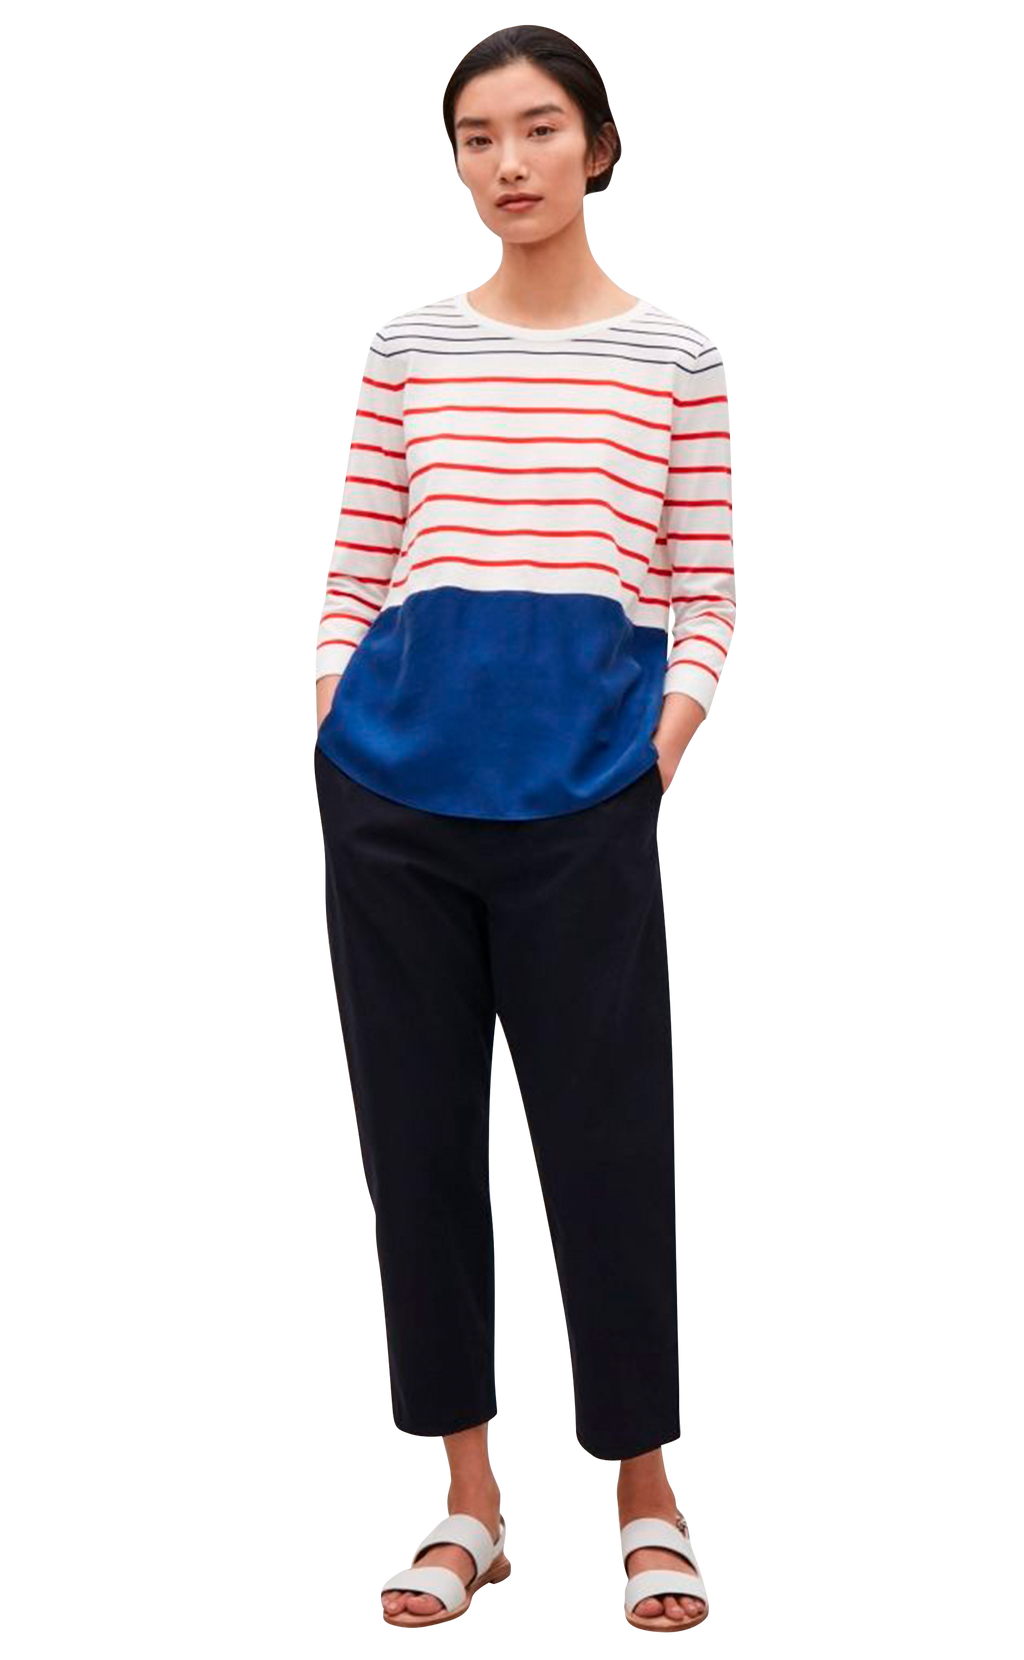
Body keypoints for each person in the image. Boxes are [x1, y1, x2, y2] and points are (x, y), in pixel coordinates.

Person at [312, 23, 733, 1634]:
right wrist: (338, 720)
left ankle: (647, 1494)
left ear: (600, 147)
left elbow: (705, 589)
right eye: (478, 136)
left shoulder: (676, 359)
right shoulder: (407, 345)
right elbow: (357, 560)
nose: (508, 161)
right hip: (392, 799)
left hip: (583, 806)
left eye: (539, 127)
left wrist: (653, 757)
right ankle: (468, 1504)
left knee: (608, 1143)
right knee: (418, 1146)